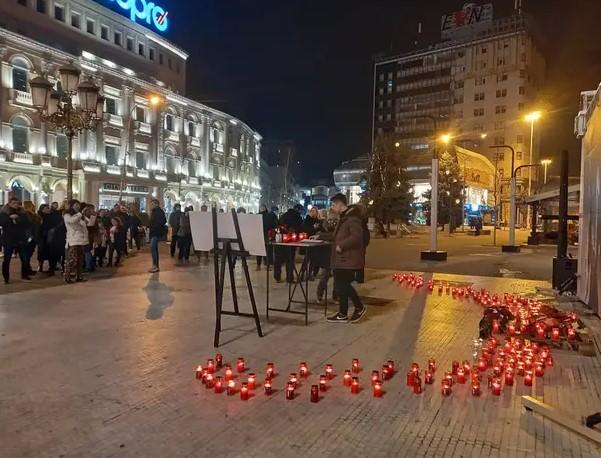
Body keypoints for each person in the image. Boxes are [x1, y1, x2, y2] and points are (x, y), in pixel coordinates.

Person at [320, 193, 367, 323]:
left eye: (333, 204)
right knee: (342, 286)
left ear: (340, 204)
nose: (332, 207)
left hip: (348, 259)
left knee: (343, 285)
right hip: (342, 259)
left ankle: (359, 307)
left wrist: (342, 245)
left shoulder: (352, 218)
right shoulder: (344, 217)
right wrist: (320, 236)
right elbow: (337, 236)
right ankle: (343, 313)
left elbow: (357, 237)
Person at [0, 197, 33, 283]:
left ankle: (24, 275)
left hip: (21, 238)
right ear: (9, 203)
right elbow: (1, 222)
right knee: (7, 259)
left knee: (25, 258)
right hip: (8, 239)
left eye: (17, 203)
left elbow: (28, 223)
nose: (16, 205)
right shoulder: (4, 212)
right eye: (14, 203)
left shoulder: (22, 212)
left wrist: (18, 219)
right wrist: (9, 218)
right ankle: (6, 278)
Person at [274, 204, 304, 283]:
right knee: (290, 260)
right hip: (291, 240)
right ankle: (289, 278)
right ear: (298, 210)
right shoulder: (297, 217)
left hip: (281, 239)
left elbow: (278, 225)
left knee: (278, 259)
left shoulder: (283, 215)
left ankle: (277, 276)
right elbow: (300, 228)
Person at [63, 199, 89, 283]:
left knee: (80, 260)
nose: (78, 206)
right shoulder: (67, 215)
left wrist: (86, 215)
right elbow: (71, 221)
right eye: (76, 204)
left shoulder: (79, 215)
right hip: (73, 240)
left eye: (78, 205)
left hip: (81, 240)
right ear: (71, 205)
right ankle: (68, 276)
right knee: (72, 260)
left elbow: (88, 223)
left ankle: (79, 276)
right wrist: (80, 213)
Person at [23, 200, 42, 276]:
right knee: (27, 255)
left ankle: (28, 269)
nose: (33, 206)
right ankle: (26, 271)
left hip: (34, 236)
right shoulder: (27, 214)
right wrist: (30, 237)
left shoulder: (33, 215)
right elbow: (27, 227)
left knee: (29, 254)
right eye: (31, 205)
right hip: (30, 237)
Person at [257, 204, 278, 270]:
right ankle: (267, 265)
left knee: (259, 250)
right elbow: (275, 224)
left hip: (259, 234)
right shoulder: (270, 215)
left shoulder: (257, 215)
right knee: (268, 250)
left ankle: (258, 265)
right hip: (267, 235)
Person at [149, 198, 167, 273]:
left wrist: (154, 226)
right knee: (154, 248)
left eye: (152, 204)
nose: (150, 206)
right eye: (150, 204)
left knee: (152, 247)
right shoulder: (154, 211)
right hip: (154, 232)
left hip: (156, 232)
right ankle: (156, 265)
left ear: (156, 204)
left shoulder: (159, 211)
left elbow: (163, 221)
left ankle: (155, 265)